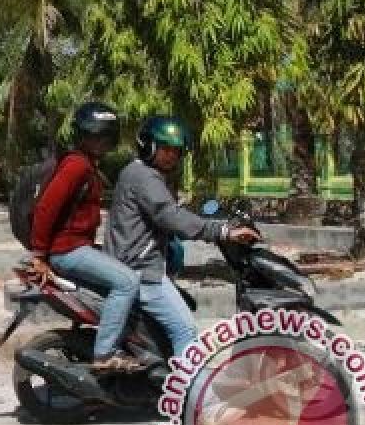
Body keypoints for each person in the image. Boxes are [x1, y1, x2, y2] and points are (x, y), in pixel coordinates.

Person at [105, 116, 260, 357]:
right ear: (149, 145)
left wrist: (203, 222)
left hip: (137, 264)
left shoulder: (142, 173)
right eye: (165, 149)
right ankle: (187, 393)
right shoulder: (143, 176)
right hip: (142, 270)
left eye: (176, 151)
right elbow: (169, 216)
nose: (171, 156)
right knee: (185, 331)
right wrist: (222, 231)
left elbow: (170, 216)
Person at [27, 102, 142, 372]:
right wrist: (39, 255)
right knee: (127, 282)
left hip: (77, 247)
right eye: (93, 136)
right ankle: (105, 354)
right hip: (67, 251)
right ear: (82, 136)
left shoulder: (87, 165)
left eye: (104, 136)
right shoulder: (77, 165)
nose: (99, 142)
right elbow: (46, 207)